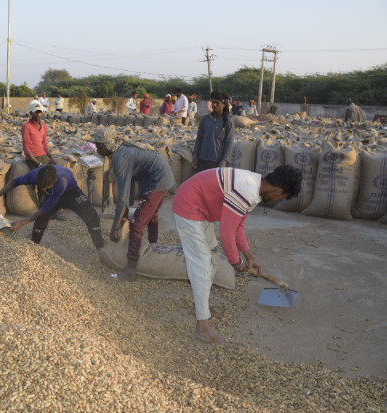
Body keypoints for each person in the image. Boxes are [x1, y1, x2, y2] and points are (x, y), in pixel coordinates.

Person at [172, 165, 302, 344]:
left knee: (213, 258)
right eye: (282, 197)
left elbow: (238, 226)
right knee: (201, 264)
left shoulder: (255, 186)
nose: (277, 200)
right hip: (189, 205)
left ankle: (199, 306)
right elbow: (226, 233)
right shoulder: (246, 191)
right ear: (279, 191)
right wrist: (236, 261)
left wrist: (249, 257)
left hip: (201, 208)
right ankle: (202, 327)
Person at [92, 128, 176, 282]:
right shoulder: (120, 152)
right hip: (161, 177)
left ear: (108, 145)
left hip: (158, 180)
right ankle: (153, 246)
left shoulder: (121, 158)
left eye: (99, 146)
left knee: (137, 224)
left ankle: (130, 270)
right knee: (151, 214)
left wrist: (115, 227)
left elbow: (122, 197)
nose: (97, 149)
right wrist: (123, 216)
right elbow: (128, 187)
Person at [0, 164, 105, 248]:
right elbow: (14, 182)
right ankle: (34, 245)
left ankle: (100, 245)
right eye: (40, 186)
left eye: (45, 187)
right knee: (41, 220)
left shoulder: (61, 183)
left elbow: (45, 208)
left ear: (53, 182)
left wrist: (22, 222)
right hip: (51, 193)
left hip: (71, 193)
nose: (42, 189)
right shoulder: (34, 175)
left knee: (91, 214)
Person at [192, 90, 235, 173]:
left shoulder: (228, 122)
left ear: (224, 104)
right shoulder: (205, 119)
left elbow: (229, 144)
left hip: (217, 162)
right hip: (202, 160)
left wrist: (223, 162)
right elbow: (199, 139)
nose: (214, 105)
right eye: (213, 102)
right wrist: (195, 156)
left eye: (217, 103)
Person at [22, 102, 56, 170]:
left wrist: (51, 158)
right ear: (31, 113)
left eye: (39, 112)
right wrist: (38, 163)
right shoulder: (27, 127)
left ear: (42, 113)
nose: (37, 115)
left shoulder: (43, 126)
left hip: (44, 157)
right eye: (35, 112)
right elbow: (26, 148)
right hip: (33, 159)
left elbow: (44, 144)